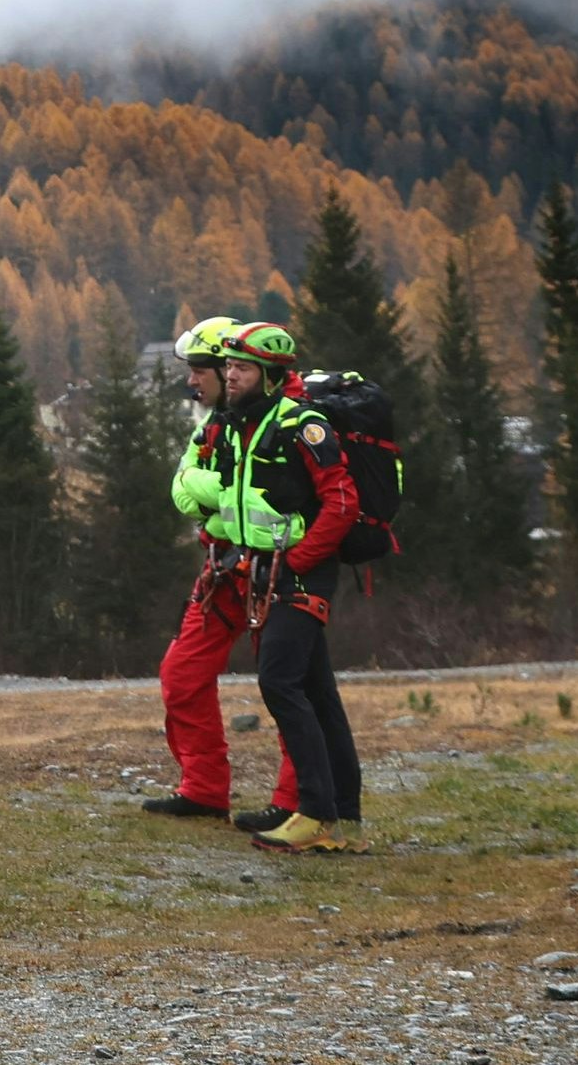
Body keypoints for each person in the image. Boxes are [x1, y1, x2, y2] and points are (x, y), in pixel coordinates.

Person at [198, 319, 365, 854]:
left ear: (271, 375)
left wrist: (298, 558)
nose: (231, 376)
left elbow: (342, 502)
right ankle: (345, 809)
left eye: (242, 368)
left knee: (279, 682)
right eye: (228, 367)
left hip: (300, 571)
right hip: (264, 571)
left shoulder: (302, 424)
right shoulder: (243, 424)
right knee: (316, 689)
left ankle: (316, 814)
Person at [142, 317, 304, 830]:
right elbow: (182, 488)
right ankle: (204, 789)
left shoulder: (286, 419)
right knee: (182, 673)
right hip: (224, 571)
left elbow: (259, 498)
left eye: (200, 372)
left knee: (285, 687)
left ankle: (296, 800)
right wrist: (220, 498)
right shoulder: (215, 423)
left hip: (274, 571)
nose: (193, 383)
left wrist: (219, 497)